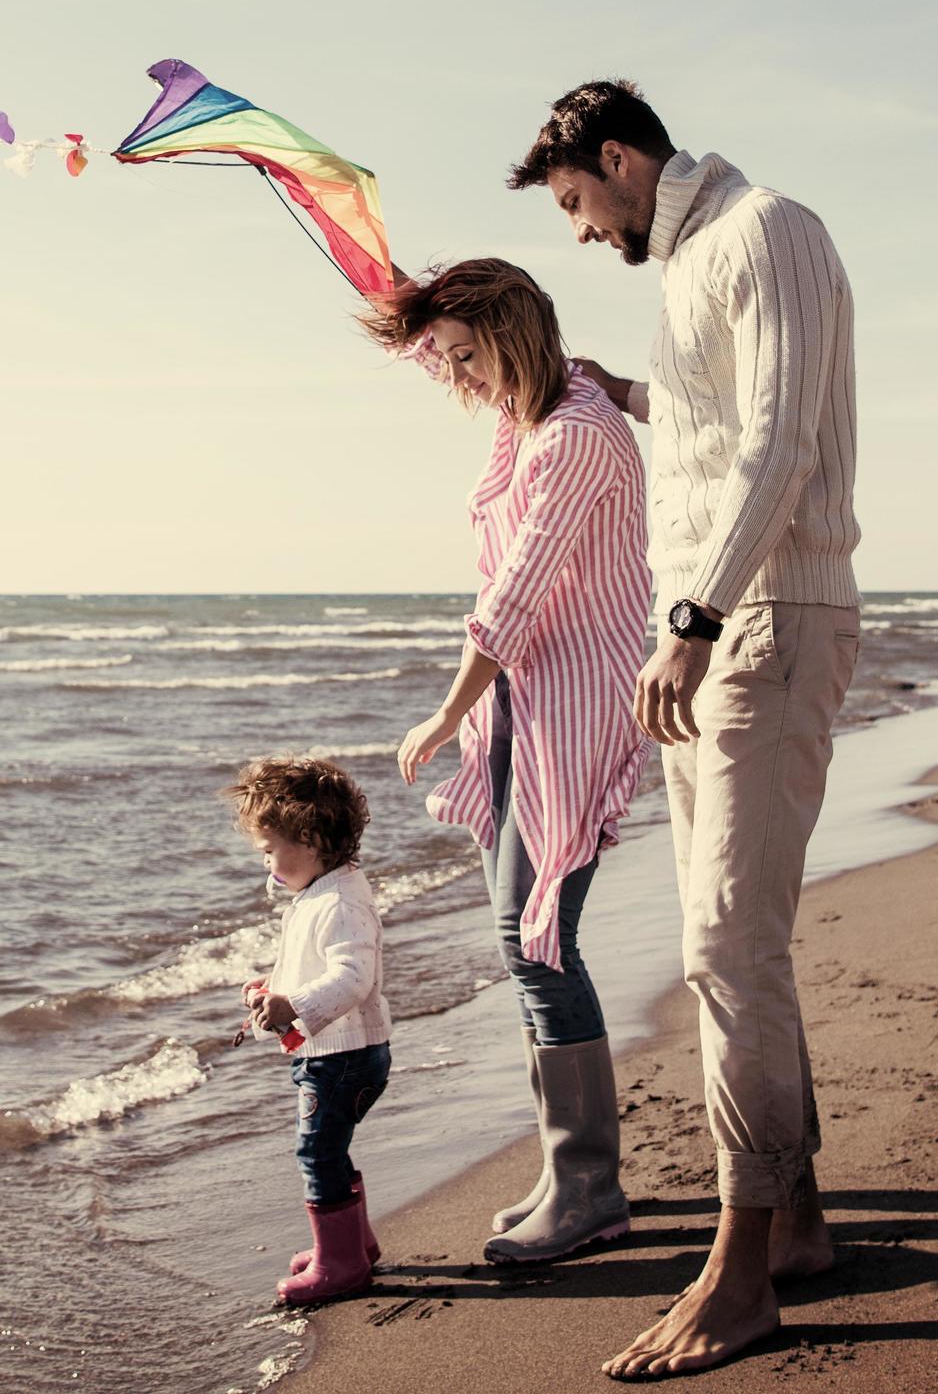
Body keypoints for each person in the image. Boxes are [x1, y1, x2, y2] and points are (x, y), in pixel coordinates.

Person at [509, 81, 859, 1381]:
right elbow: (721, 432)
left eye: (577, 204)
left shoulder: (770, 230)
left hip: (758, 625)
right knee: (737, 947)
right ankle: (801, 1223)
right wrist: (634, 394)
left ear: (619, 159)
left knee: (723, 944)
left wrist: (695, 619)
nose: (583, 234)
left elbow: (784, 440)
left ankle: (741, 1268)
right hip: (711, 635)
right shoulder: (695, 262)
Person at [360, 259, 652, 1265]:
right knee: (522, 938)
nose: (457, 378)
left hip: (569, 703)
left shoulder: (573, 435)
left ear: (513, 331)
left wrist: (445, 715)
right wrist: (418, 314)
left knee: (540, 943)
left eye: (468, 356)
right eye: (445, 362)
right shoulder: (531, 413)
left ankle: (590, 1186)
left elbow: (519, 592)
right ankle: (567, 1172)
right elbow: (456, 349)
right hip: (527, 703)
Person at [225, 756, 394, 1308]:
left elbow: (352, 979)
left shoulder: (342, 900)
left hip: (344, 1057)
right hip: (333, 1053)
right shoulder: (320, 892)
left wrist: (292, 1004)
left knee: (317, 1151)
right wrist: (272, 986)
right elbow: (313, 963)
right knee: (330, 1148)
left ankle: (340, 1262)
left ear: (311, 838)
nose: (268, 868)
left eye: (272, 852)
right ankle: (352, 1244)